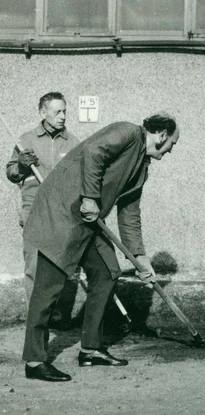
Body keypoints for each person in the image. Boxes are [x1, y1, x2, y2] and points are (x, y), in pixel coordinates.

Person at [22, 113, 180, 382]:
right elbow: (93, 152)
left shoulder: (141, 168)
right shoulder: (127, 132)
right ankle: (35, 361)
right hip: (61, 214)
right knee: (48, 288)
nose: (171, 149)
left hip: (89, 220)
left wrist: (141, 258)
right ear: (162, 135)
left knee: (108, 273)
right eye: (172, 143)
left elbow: (129, 213)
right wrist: (91, 198)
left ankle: (90, 349)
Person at [6, 92, 80, 329]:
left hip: (61, 213)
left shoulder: (73, 143)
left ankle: (55, 316)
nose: (63, 116)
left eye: (65, 111)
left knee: (57, 267)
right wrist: (20, 165)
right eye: (57, 111)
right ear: (43, 113)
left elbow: (81, 177)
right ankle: (36, 320)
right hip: (34, 211)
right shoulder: (25, 140)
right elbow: (11, 173)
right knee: (34, 267)